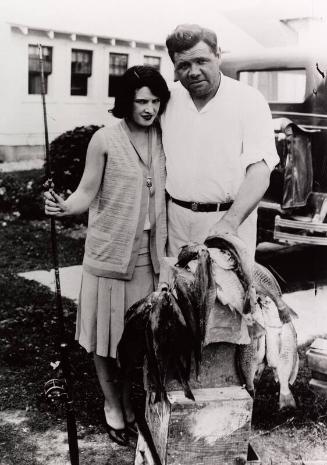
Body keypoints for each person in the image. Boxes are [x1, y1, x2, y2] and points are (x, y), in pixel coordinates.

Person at [44, 65, 170, 446]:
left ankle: (131, 405)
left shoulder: (165, 137)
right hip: (109, 254)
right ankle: (112, 406)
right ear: (125, 102)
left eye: (154, 100)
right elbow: (87, 191)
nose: (148, 108)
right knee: (105, 340)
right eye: (140, 101)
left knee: (136, 343)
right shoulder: (104, 139)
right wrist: (66, 207)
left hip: (149, 258)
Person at [161, 24, 280, 258]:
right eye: (183, 65)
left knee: (225, 294)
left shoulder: (249, 100)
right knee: (177, 293)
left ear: (218, 55)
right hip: (175, 221)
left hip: (228, 222)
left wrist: (230, 222)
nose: (193, 72)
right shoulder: (167, 100)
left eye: (201, 61)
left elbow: (260, 171)